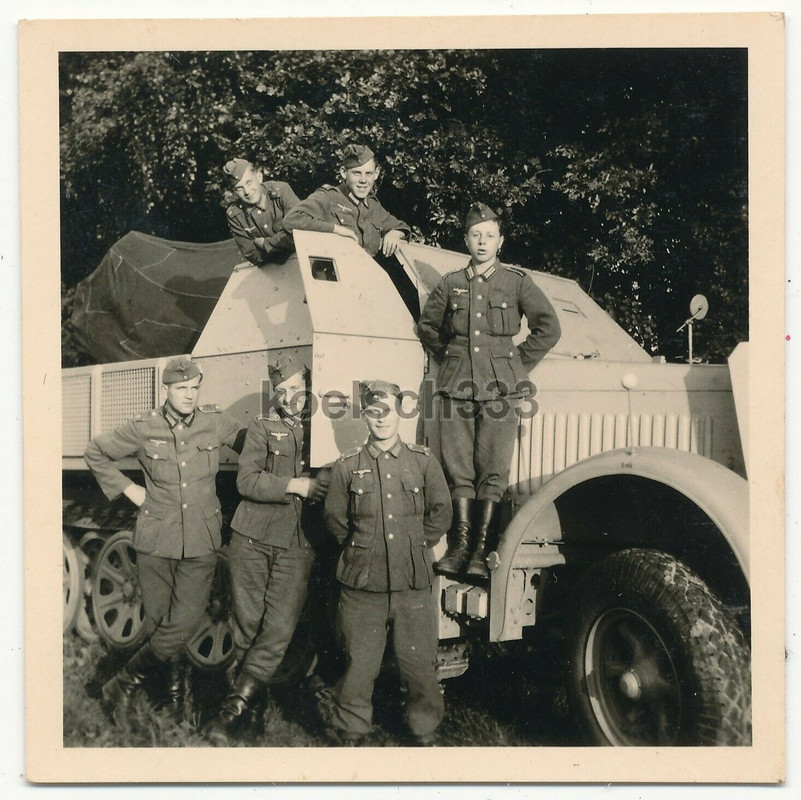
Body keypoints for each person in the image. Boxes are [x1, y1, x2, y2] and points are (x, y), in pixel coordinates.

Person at [83, 357, 245, 728]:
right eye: (181, 389)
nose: (189, 395)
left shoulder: (213, 423)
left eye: (194, 388)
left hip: (202, 541)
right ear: (167, 390)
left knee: (184, 621)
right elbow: (96, 451)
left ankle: (120, 684)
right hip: (156, 541)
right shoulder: (145, 428)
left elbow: (256, 444)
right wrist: (130, 489)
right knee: (160, 626)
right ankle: (171, 702)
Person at [416, 203, 561, 580]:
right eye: (476, 236)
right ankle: (460, 546)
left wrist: (515, 365)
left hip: (501, 390)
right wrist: (450, 360)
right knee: (458, 466)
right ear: (466, 240)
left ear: (501, 241)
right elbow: (428, 327)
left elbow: (548, 328)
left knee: (493, 468)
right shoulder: (450, 283)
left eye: (489, 236)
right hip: (457, 385)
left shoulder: (516, 282)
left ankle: (482, 549)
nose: (482, 242)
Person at [203, 355, 328, 746]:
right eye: (281, 391)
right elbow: (247, 481)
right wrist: (296, 485)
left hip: (297, 544)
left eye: (295, 387)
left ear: (307, 384)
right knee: (247, 626)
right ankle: (251, 715)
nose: (289, 397)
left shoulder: (322, 428)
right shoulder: (262, 426)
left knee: (277, 630)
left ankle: (229, 712)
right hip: (252, 538)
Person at [323, 380, 452, 745]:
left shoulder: (423, 461)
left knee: (419, 666)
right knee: (358, 666)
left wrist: (416, 545)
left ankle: (424, 730)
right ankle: (352, 730)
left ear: (401, 413)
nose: (382, 419)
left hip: (413, 583)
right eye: (374, 411)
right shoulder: (348, 466)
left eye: (389, 411)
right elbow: (335, 520)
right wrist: (363, 548)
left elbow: (441, 512)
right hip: (363, 585)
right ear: (365, 415)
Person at [282, 144, 410, 258]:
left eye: (369, 173)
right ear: (343, 173)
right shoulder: (328, 197)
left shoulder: (372, 205)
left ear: (376, 174)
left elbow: (401, 226)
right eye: (357, 173)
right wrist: (336, 230)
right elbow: (291, 220)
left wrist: (394, 234)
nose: (363, 180)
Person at [224, 158, 300, 266]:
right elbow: (253, 255)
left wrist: (265, 244)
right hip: (274, 269)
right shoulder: (235, 214)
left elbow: (299, 233)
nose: (247, 192)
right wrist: (279, 253)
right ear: (234, 192)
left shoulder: (281, 191)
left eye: (249, 182)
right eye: (239, 188)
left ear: (259, 177)